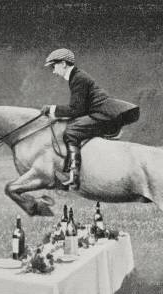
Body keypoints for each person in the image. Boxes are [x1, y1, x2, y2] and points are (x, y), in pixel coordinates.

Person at [40, 48, 139, 190]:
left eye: (53, 66)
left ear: (63, 63)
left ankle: (73, 175)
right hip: (99, 113)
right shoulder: (76, 77)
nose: (53, 71)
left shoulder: (78, 78)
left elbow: (76, 109)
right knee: (72, 125)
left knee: (71, 131)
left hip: (104, 115)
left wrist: (52, 109)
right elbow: (80, 108)